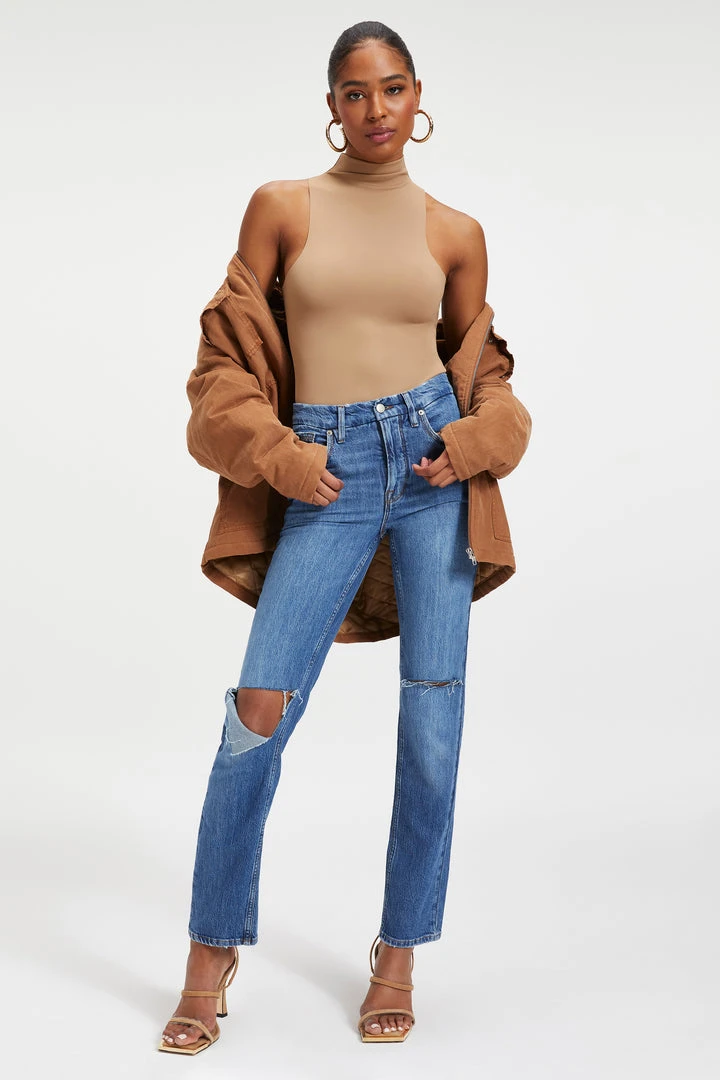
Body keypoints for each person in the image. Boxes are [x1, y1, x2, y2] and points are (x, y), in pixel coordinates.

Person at [159, 20, 531, 1054]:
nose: (377, 110)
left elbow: (486, 372)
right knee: (258, 710)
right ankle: (209, 954)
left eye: (394, 88)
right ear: (333, 105)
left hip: (429, 471)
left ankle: (398, 955)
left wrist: (475, 438)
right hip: (324, 469)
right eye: (356, 93)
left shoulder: (456, 232)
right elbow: (222, 359)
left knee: (433, 725)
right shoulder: (283, 207)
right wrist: (278, 454)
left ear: (419, 96)